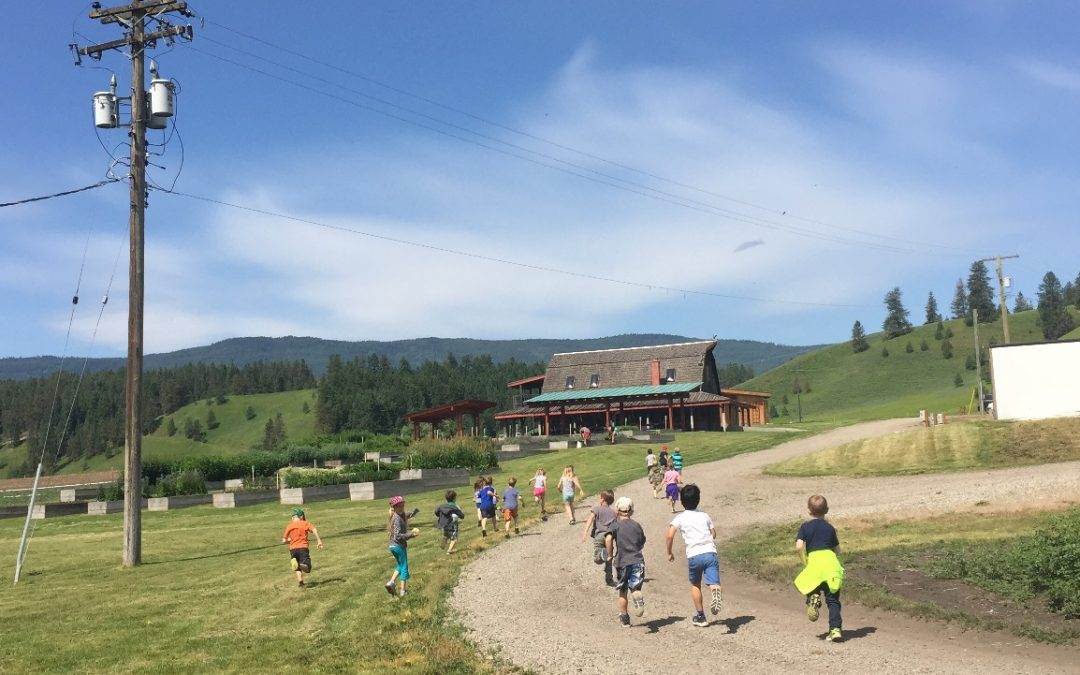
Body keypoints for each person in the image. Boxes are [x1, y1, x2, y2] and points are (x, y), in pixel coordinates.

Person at [666, 484, 722, 627]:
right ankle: (715, 591)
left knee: (696, 584)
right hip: (710, 552)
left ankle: (701, 616)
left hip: (694, 555)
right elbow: (713, 533)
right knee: (713, 582)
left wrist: (669, 552)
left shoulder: (680, 518)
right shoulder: (704, 515)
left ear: (682, 502)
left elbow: (670, 535)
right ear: (698, 499)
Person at [794, 494, 845, 642]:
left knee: (808, 583)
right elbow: (838, 550)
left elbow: (798, 547)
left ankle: (813, 598)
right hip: (831, 564)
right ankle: (835, 630)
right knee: (833, 600)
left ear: (809, 511)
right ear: (827, 510)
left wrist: (805, 562)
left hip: (815, 563)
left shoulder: (805, 527)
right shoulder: (830, 528)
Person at [612, 496, 647, 627]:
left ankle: (625, 618)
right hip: (637, 560)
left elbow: (609, 539)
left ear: (617, 510)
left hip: (622, 562)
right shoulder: (637, 525)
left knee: (623, 590)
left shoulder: (616, 526)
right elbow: (642, 541)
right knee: (635, 587)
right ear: (631, 511)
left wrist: (609, 554)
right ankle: (636, 594)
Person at [385, 496, 420, 598]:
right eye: (399, 507)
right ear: (394, 508)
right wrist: (410, 534)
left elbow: (406, 515)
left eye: (402, 506)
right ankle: (403, 591)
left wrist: (414, 511)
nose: (401, 508)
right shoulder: (397, 519)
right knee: (404, 567)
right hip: (398, 546)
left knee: (400, 565)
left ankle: (391, 582)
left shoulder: (400, 514)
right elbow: (398, 535)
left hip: (393, 546)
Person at [581, 489, 617, 585]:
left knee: (597, 559)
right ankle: (609, 579)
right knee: (609, 558)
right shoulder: (613, 512)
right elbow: (616, 526)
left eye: (600, 497)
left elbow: (590, 519)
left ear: (603, 500)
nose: (599, 499)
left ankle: (601, 554)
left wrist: (585, 531)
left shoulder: (597, 509)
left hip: (600, 536)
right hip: (609, 536)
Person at [281, 507, 324, 588]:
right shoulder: (305, 523)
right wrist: (319, 541)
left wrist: (291, 540)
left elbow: (283, 540)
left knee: (297, 568)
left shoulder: (289, 526)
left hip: (293, 549)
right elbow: (314, 530)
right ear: (301, 517)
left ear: (292, 517)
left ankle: (300, 582)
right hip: (303, 548)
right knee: (307, 568)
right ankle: (299, 565)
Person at [435, 490, 466, 554]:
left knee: (446, 534)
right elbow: (461, 515)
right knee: (454, 538)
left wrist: (439, 515)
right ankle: (449, 550)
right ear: (454, 498)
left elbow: (436, 511)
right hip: (452, 523)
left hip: (445, 523)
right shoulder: (454, 506)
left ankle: (443, 544)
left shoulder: (442, 506)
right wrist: (462, 516)